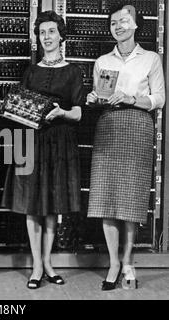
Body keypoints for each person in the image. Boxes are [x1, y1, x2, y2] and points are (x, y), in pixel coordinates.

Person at [2, 11, 84, 289]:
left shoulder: (73, 71)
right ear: (37, 37)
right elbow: (17, 110)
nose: (47, 37)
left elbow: (79, 113)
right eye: (42, 32)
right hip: (31, 140)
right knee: (31, 205)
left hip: (59, 142)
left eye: (51, 31)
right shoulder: (31, 71)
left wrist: (61, 112)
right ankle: (37, 264)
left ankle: (48, 263)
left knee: (52, 206)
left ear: (61, 35)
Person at [86, 4, 165, 291]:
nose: (118, 26)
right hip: (108, 126)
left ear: (135, 25)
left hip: (137, 127)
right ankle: (113, 263)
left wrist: (131, 98)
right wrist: (94, 98)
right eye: (113, 22)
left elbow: (159, 99)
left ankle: (128, 260)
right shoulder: (102, 60)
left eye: (123, 21)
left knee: (130, 201)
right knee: (106, 198)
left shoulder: (151, 59)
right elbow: (100, 96)